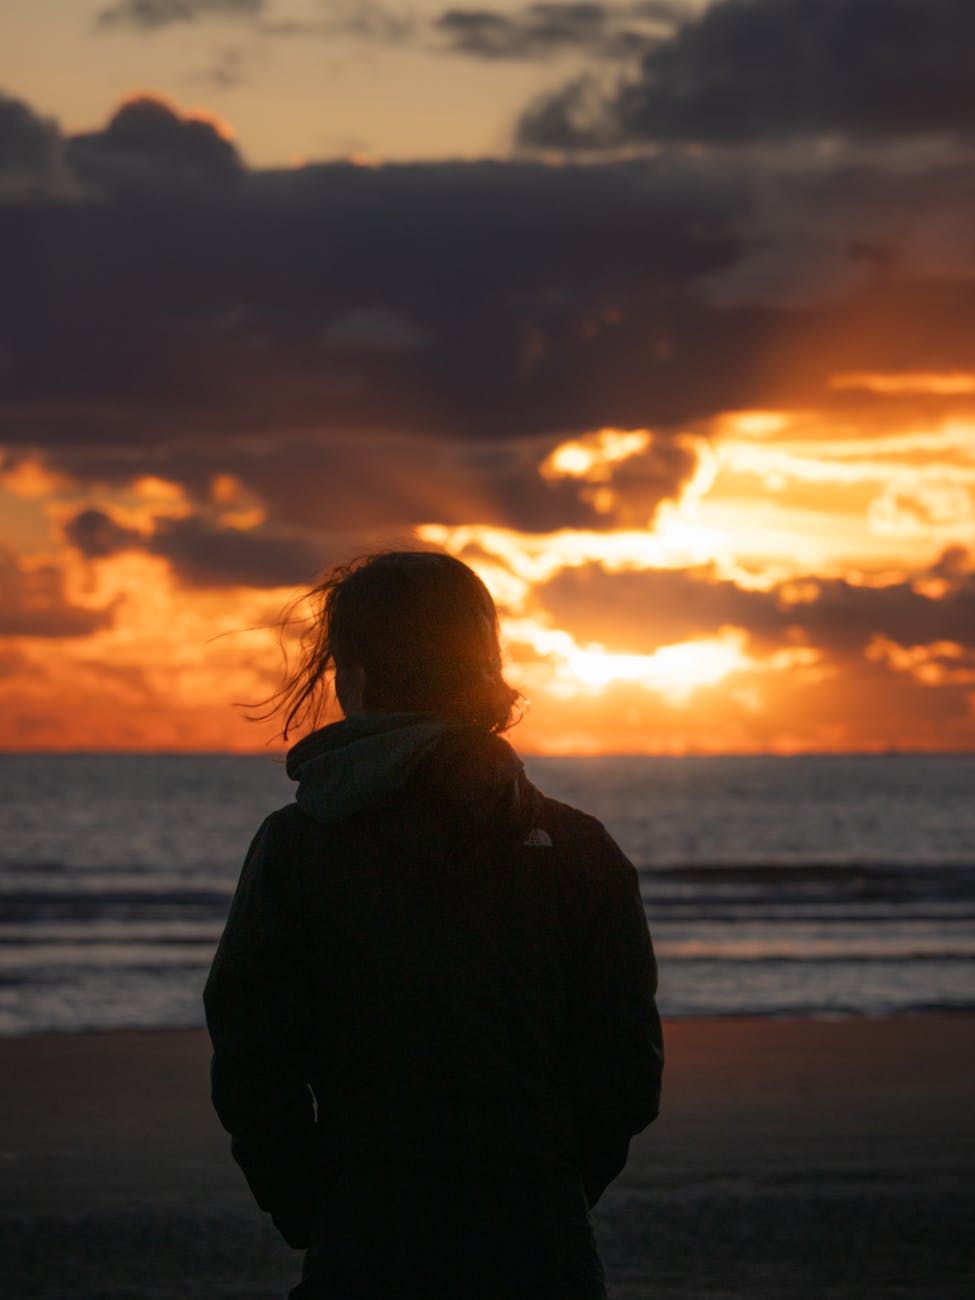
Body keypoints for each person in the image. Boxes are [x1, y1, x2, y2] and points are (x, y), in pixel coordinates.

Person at [204, 550, 663, 1299]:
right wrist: (548, 1191)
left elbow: (253, 1057)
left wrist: (309, 1209)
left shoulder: (299, 845)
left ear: (351, 674)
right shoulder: (579, 847)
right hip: (540, 1240)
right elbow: (624, 1070)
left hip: (365, 1238)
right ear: (484, 670)